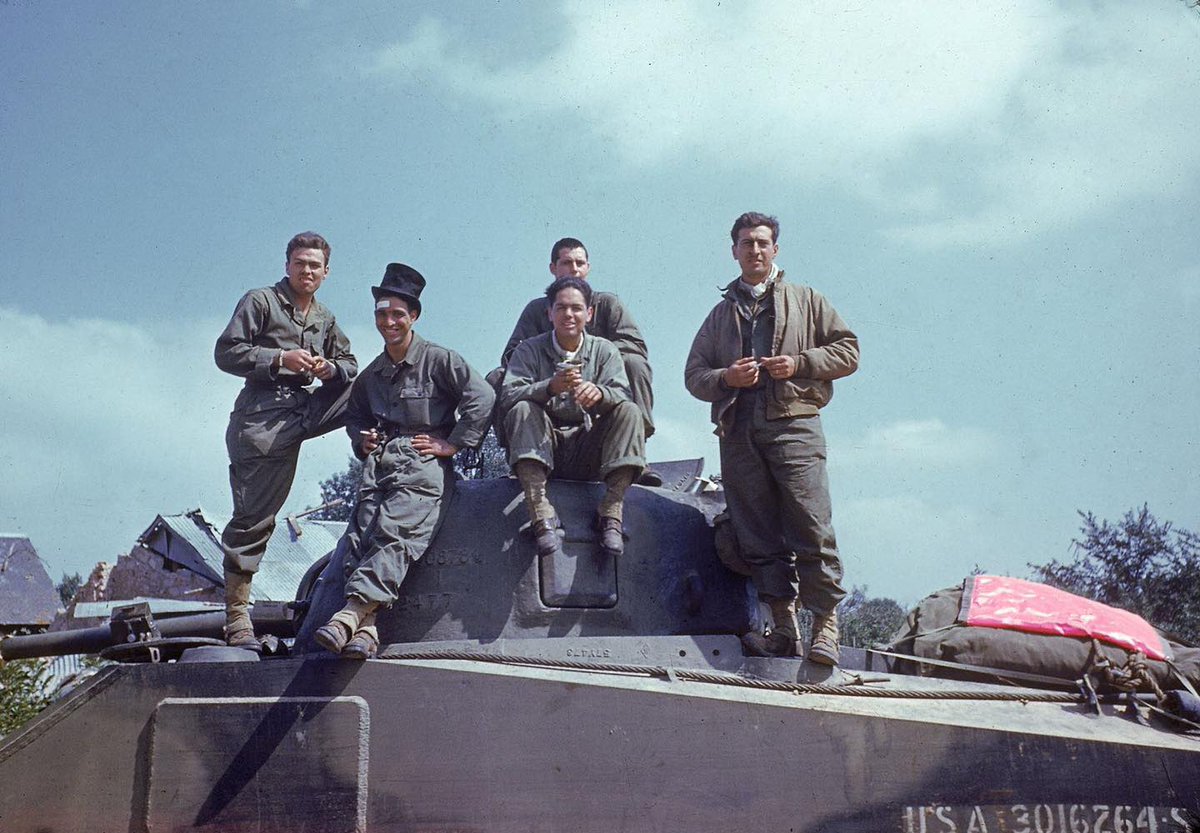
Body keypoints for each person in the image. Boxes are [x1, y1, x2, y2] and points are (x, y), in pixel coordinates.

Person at [684, 212, 859, 665]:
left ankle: (824, 626)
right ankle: (784, 628)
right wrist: (728, 376)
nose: (755, 251)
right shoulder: (721, 314)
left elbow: (848, 351)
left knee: (810, 524)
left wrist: (799, 363)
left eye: (763, 243)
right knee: (757, 532)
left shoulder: (807, 300)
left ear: (775, 249)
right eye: (746, 243)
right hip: (739, 430)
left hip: (794, 423)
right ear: (734, 251)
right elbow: (694, 376)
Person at [315, 263, 494, 659]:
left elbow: (481, 397)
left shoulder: (438, 359)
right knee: (362, 538)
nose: (389, 321)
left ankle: (352, 613)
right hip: (379, 465)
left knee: (396, 533)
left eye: (398, 314)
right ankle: (369, 631)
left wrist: (454, 443)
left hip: (422, 463)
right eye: (382, 313)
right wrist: (362, 440)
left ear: (414, 316)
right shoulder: (373, 374)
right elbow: (356, 414)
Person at [215, 231, 357, 651]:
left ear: (326, 272)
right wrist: (279, 359)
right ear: (287, 265)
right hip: (262, 418)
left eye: (315, 266)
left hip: (305, 407)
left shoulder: (325, 318)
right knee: (254, 519)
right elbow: (226, 353)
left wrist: (330, 369)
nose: (307, 271)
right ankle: (237, 617)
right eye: (301, 263)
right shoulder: (261, 302)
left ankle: (375, 452)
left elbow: (349, 363)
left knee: (366, 390)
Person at [499, 276, 646, 560]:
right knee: (522, 409)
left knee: (630, 412)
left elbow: (623, 393)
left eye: (577, 308)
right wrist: (549, 388)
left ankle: (611, 510)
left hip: (589, 449)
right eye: (561, 308)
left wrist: (601, 394)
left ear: (589, 314)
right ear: (549, 313)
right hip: (543, 448)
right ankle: (540, 513)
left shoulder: (604, 350)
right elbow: (508, 396)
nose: (569, 314)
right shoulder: (529, 350)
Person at [501, 237, 656, 444]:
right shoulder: (536, 309)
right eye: (566, 263)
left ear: (588, 268)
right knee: (498, 377)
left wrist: (593, 360)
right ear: (553, 268)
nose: (574, 269)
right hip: (546, 387)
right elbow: (511, 354)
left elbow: (634, 345)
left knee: (635, 364)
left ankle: (636, 444)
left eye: (580, 263)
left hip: (603, 384)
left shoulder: (608, 304)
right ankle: (516, 451)